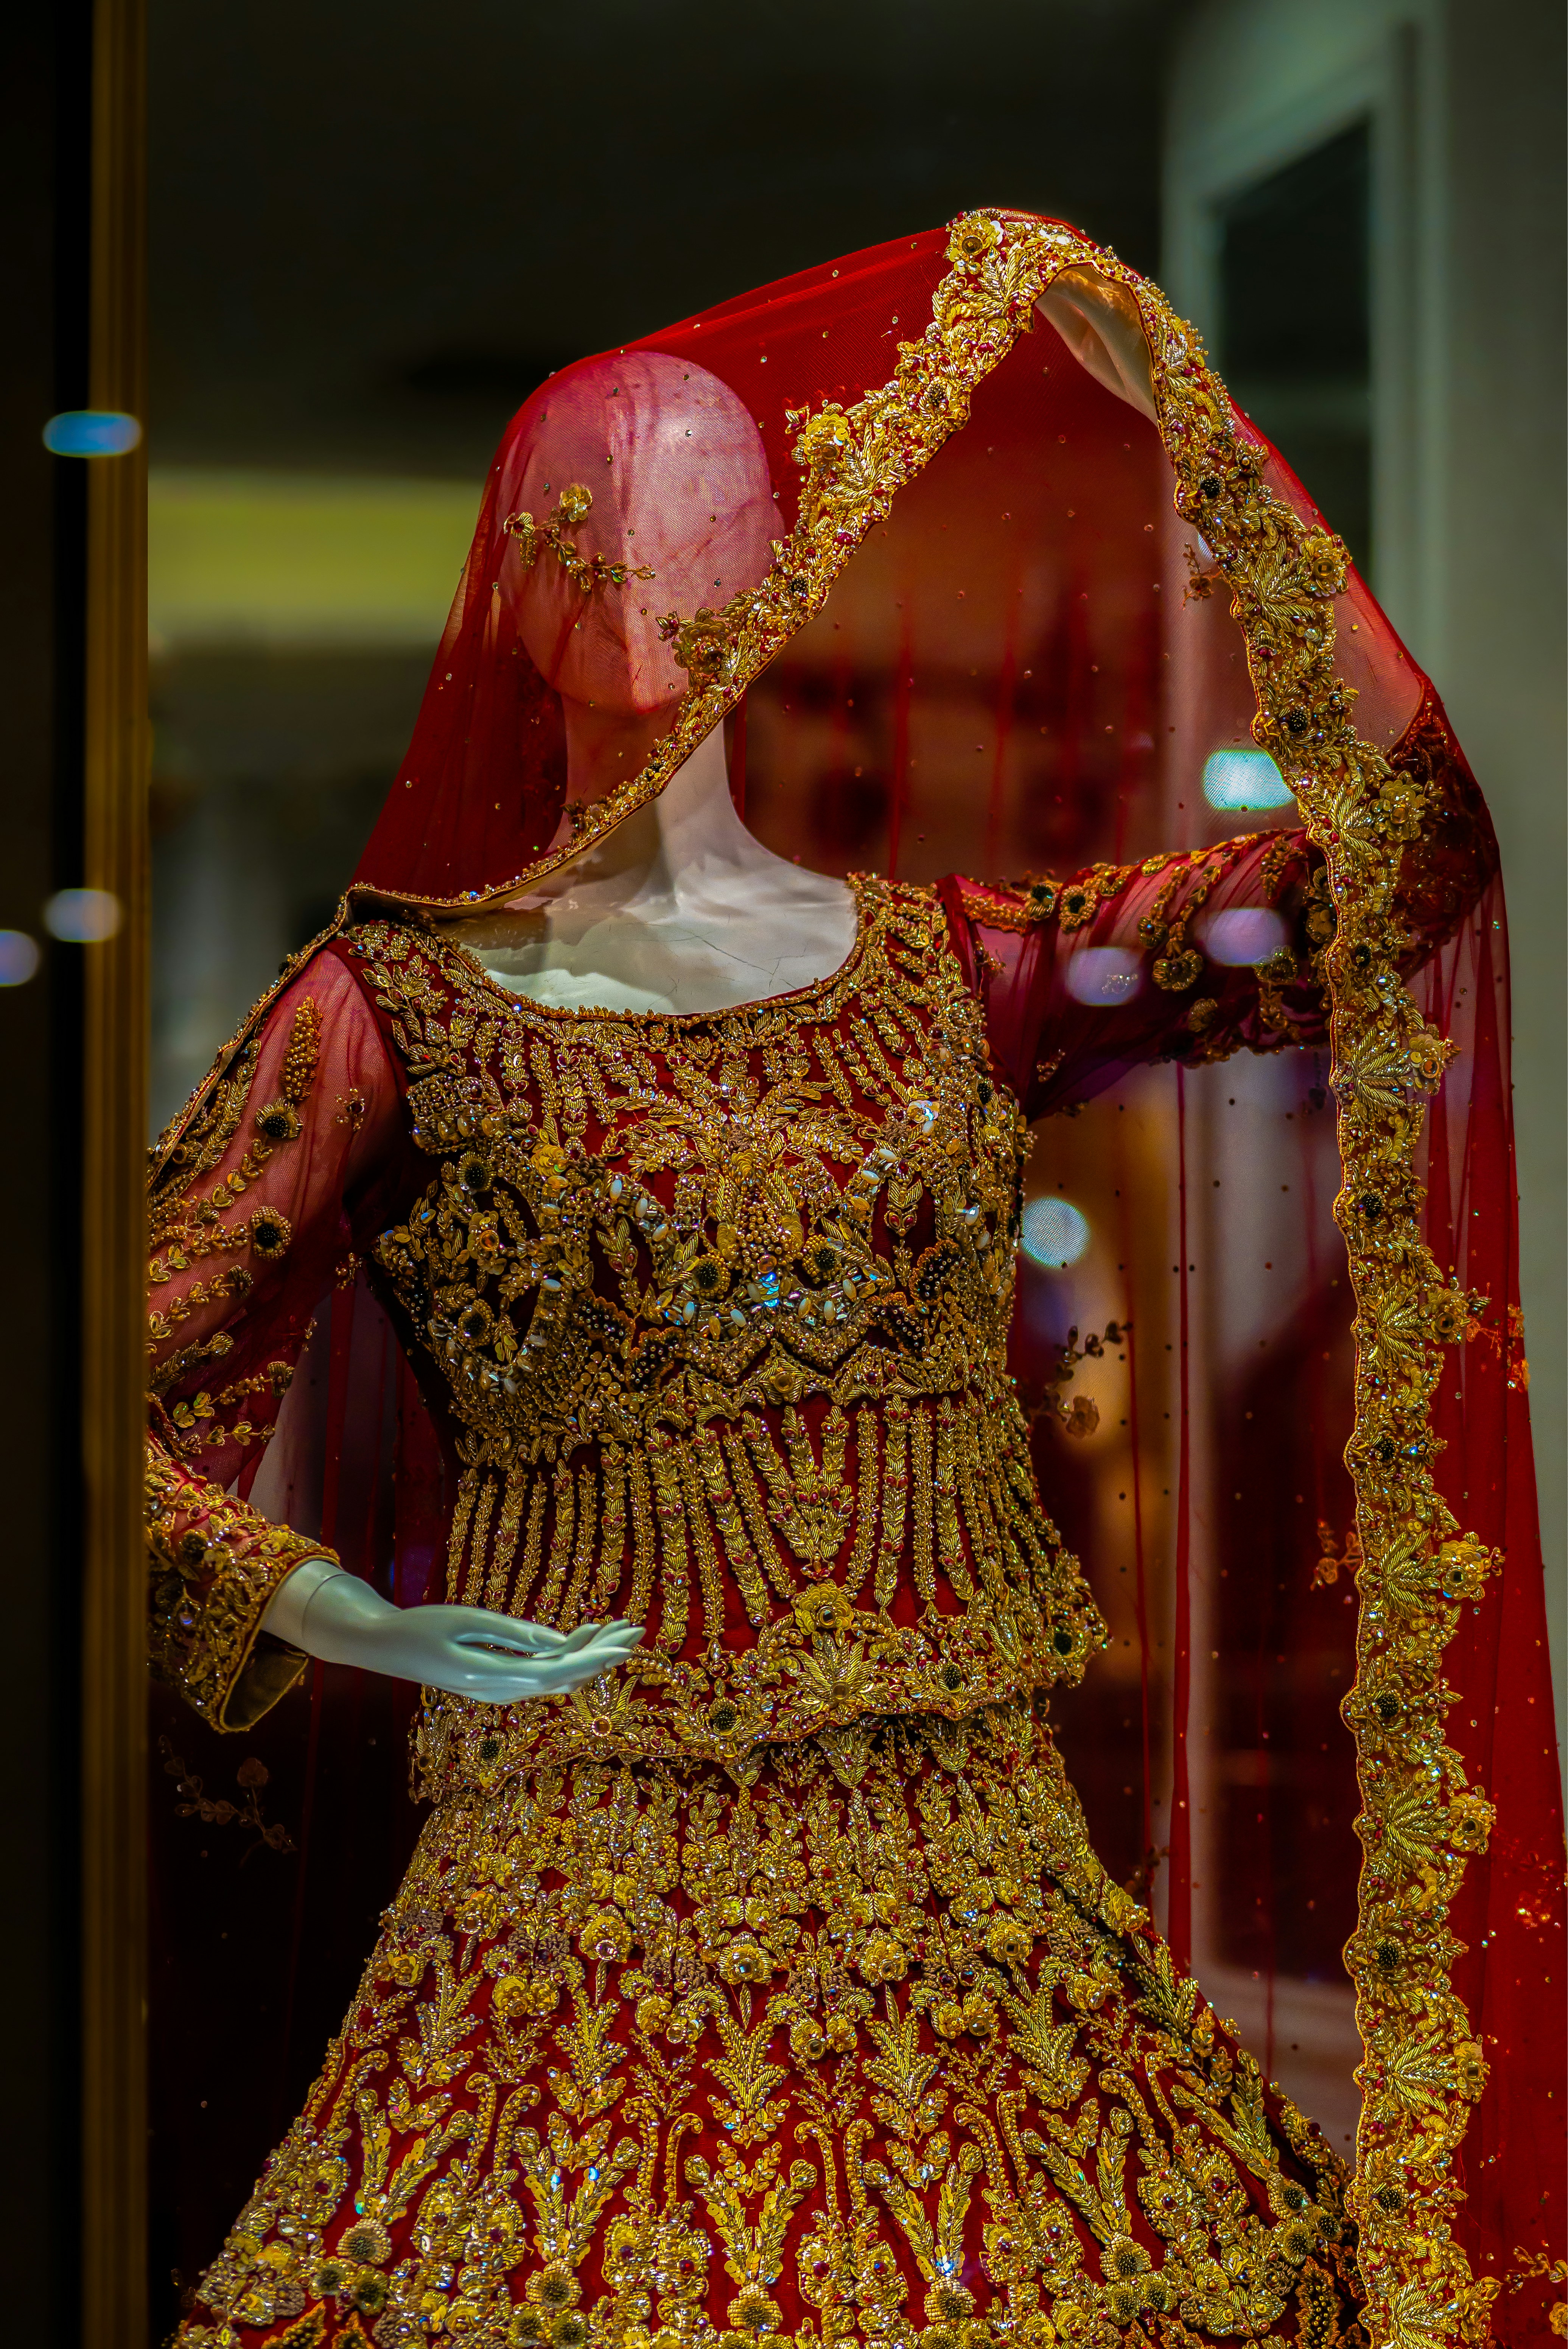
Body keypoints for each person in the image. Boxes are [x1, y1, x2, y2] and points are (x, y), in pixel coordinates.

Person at [148, 213, 1561, 2349]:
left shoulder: (961, 974)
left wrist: (1204, 439)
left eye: (697, 513)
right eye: (588, 524)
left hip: (967, 1880)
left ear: (781, 560)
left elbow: (1409, 858)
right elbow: (99, 1411)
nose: (644, 572)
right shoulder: (395, 1011)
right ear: (519, 593)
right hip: (574, 1886)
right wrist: (341, 1610)